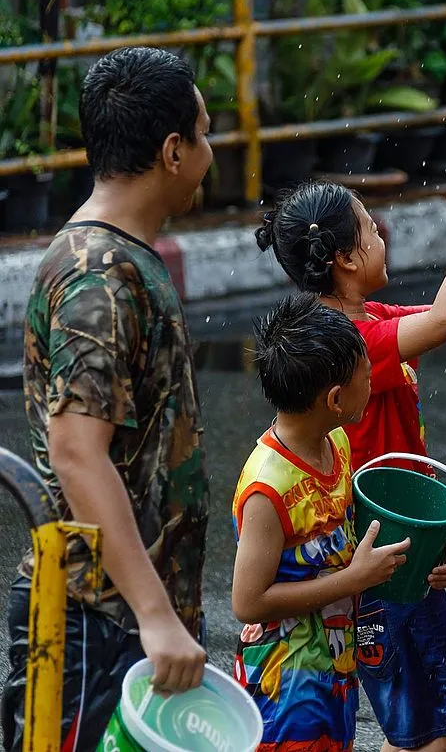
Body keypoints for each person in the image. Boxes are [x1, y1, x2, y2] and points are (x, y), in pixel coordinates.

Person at [257, 173, 446, 752]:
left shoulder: (367, 318)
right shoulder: (349, 343)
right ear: (347, 258)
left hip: (404, 540)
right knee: (445, 732)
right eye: (372, 229)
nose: (383, 235)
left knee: (439, 729)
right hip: (380, 556)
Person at [2, 47, 213, 751]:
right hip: (98, 618)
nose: (212, 152)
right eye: (204, 134)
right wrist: (154, 613)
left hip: (129, 615)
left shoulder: (120, 259)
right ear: (172, 150)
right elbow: (74, 450)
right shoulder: (100, 277)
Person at [232, 294, 410, 751]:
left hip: (333, 669)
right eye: (366, 375)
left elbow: (352, 531)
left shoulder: (336, 444)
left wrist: (436, 543)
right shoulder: (266, 489)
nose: (373, 379)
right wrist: (352, 580)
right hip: (285, 686)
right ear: (334, 399)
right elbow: (249, 603)